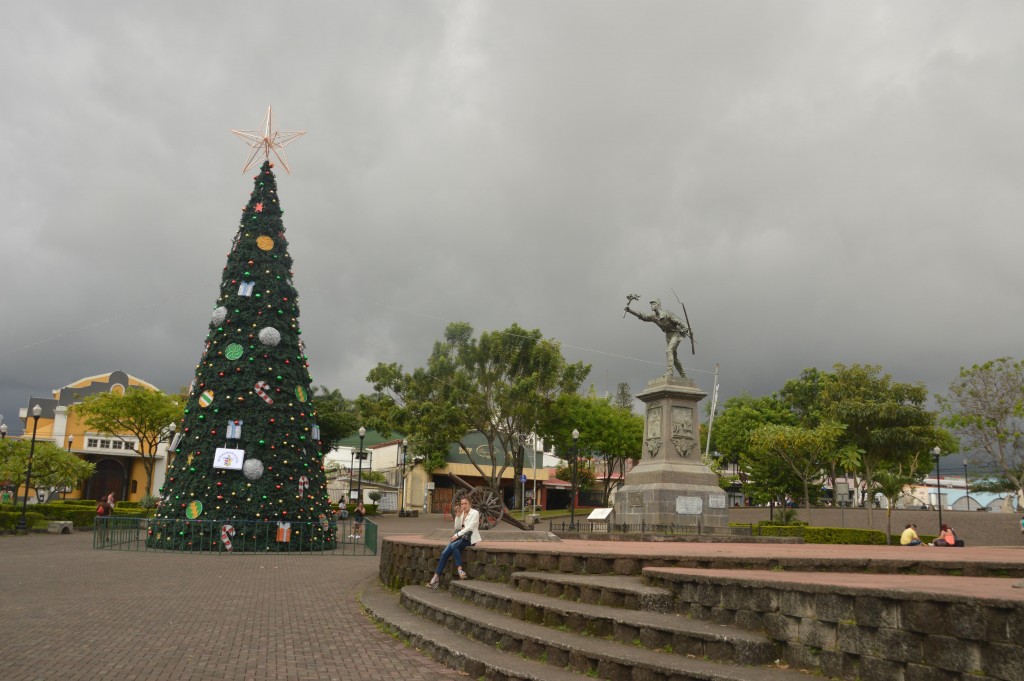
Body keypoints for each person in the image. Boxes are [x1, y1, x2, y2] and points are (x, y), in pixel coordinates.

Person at [624, 296, 693, 378]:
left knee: (669, 351)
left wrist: (688, 329)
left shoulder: (667, 314)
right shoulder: (654, 317)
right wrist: (629, 310)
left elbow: (679, 321)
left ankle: (669, 373)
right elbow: (643, 316)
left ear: (658, 305)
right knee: (674, 358)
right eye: (651, 304)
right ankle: (683, 375)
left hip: (676, 334)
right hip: (668, 335)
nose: (651, 306)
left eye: (653, 304)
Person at [427, 496, 482, 589]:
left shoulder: (475, 513)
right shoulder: (462, 513)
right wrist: (458, 516)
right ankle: (438, 576)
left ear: (470, 504)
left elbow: (470, 528)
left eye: (465, 503)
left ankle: (441, 576)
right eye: (462, 504)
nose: (463, 506)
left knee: (452, 546)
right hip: (460, 538)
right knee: (445, 552)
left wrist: (456, 535)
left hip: (469, 539)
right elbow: (457, 527)